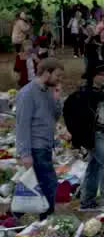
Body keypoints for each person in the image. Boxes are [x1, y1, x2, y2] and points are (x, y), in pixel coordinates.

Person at [64, 63, 104, 212]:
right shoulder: (83, 94)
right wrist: (75, 134)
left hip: (103, 134)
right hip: (91, 137)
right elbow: (69, 112)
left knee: (95, 166)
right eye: (101, 74)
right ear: (93, 76)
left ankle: (87, 201)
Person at [16, 58, 64, 219]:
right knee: (49, 184)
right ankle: (47, 220)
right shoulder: (27, 93)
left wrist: (57, 100)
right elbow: (22, 124)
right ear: (46, 73)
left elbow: (55, 117)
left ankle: (15, 216)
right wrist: (25, 153)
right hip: (35, 147)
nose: (59, 79)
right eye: (57, 75)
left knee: (36, 185)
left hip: (45, 145)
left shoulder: (47, 91)